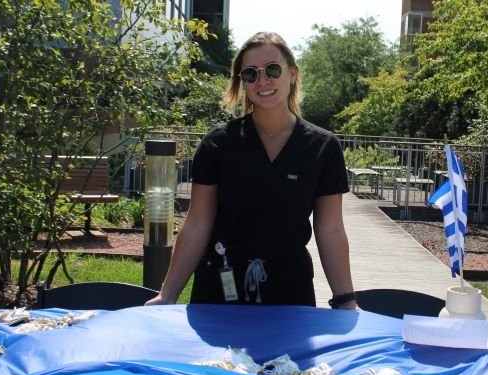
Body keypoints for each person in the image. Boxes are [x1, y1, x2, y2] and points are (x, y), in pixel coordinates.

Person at [146, 32, 357, 310]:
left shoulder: (322, 147)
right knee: (217, 358)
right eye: (250, 74)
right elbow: (197, 224)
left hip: (290, 293)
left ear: (292, 74)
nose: (263, 81)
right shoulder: (218, 143)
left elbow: (330, 230)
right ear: (242, 82)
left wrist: (346, 301)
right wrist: (168, 294)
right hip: (219, 291)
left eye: (272, 69)